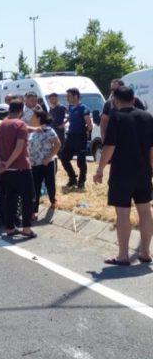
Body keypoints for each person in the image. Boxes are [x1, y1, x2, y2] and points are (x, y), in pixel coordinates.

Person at [93, 86, 153, 265]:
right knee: (145, 211)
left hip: (122, 172)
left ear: (115, 101)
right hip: (143, 172)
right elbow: (152, 148)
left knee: (123, 214)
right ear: (134, 99)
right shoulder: (147, 117)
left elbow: (109, 147)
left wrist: (100, 169)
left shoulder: (116, 118)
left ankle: (123, 255)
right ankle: (146, 252)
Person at [0, 101, 36, 239]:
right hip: (21, 168)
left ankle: (10, 227)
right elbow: (19, 148)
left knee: (11, 198)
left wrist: (1, 162)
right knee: (28, 198)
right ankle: (26, 227)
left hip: (7, 171)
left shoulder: (2, 125)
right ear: (21, 110)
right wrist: (8, 163)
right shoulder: (20, 124)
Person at [29, 108, 61, 217]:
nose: (30, 118)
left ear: (38, 118)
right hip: (34, 164)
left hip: (47, 163)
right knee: (35, 187)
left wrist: (49, 158)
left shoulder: (48, 130)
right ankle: (34, 211)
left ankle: (53, 200)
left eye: (33, 116)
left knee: (50, 184)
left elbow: (57, 145)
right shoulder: (32, 130)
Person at [61, 88, 93, 190]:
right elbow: (70, 117)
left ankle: (81, 182)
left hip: (80, 137)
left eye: (69, 96)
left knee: (81, 161)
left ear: (76, 96)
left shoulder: (84, 108)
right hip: (70, 137)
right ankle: (72, 178)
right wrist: (64, 124)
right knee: (64, 158)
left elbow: (89, 125)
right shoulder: (70, 107)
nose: (67, 98)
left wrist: (86, 133)